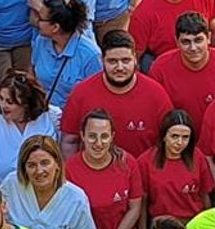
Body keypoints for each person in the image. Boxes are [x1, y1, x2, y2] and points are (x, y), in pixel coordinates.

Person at [67, 111, 143, 229]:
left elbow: (135, 208)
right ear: (82, 136)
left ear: (112, 137)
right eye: (92, 136)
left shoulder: (128, 163)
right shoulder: (70, 169)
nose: (98, 143)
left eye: (104, 136)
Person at [3, 132, 98, 229]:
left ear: (57, 164)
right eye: (31, 165)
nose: (39, 171)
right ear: (23, 168)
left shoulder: (75, 198)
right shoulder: (11, 185)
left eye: (45, 163)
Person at [61, 31, 173, 162]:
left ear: (135, 59)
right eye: (112, 61)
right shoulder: (81, 94)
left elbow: (171, 140)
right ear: (102, 60)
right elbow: (70, 141)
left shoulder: (156, 94)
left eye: (125, 60)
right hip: (94, 172)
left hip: (142, 172)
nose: (120, 67)